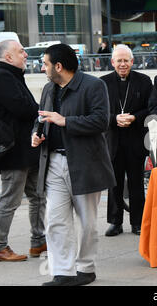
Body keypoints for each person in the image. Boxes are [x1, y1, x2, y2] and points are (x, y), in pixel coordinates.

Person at [31, 43, 115, 286]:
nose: (43, 67)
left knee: (87, 222)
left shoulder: (93, 86)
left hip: (85, 163)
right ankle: (63, 272)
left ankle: (86, 268)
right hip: (54, 162)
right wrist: (36, 134)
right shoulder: (48, 88)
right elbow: (41, 119)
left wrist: (65, 121)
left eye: (45, 63)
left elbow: (100, 122)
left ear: (58, 66)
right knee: (55, 219)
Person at [0, 39, 46, 262]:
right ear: (8, 57)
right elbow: (24, 108)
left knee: (38, 195)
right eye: (21, 51)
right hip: (13, 153)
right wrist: (38, 110)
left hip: (26, 150)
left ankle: (38, 241)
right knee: (10, 199)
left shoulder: (12, 76)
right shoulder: (3, 77)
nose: (25, 54)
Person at [100, 45, 152, 237]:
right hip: (112, 140)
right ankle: (115, 222)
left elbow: (151, 107)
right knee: (114, 183)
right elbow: (98, 112)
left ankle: (138, 222)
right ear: (112, 62)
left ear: (132, 61)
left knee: (137, 183)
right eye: (118, 61)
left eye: (126, 60)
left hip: (136, 139)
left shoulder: (144, 81)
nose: (122, 64)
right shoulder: (102, 83)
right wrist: (115, 119)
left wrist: (134, 118)